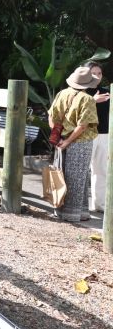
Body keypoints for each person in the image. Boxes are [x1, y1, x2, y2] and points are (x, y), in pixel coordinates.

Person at [48, 66, 100, 222]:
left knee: (65, 174)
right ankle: (72, 215)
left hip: (62, 140)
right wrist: (69, 141)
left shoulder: (61, 94)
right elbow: (83, 126)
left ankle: (73, 211)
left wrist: (59, 138)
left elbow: (51, 116)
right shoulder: (87, 99)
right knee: (77, 177)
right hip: (80, 142)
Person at [84, 61, 109, 213]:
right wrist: (93, 100)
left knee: (101, 171)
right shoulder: (80, 91)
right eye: (93, 73)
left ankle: (99, 205)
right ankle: (78, 207)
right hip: (85, 135)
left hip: (104, 135)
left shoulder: (106, 91)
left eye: (99, 73)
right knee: (82, 171)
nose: (97, 76)